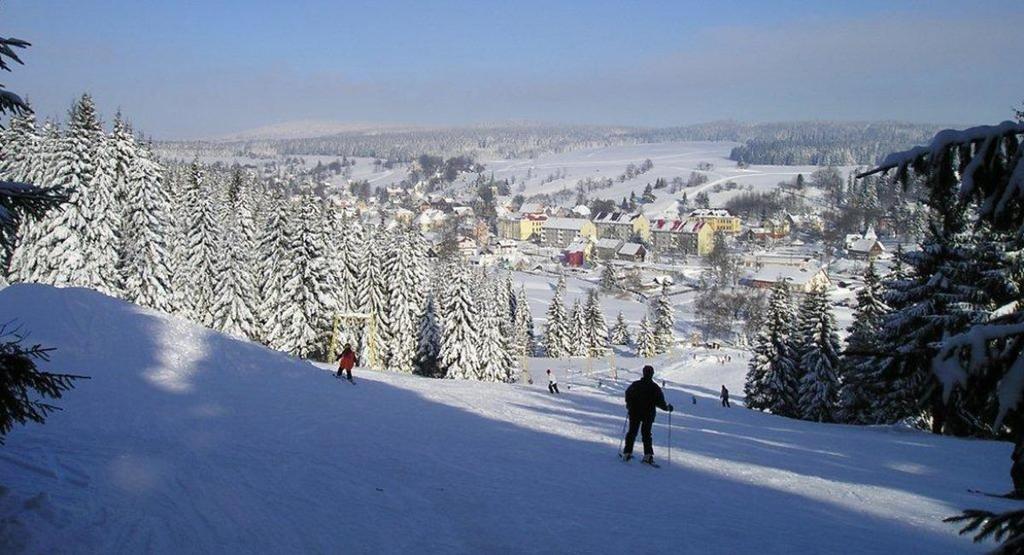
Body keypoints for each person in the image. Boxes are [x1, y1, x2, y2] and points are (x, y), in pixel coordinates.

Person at [622, 365, 673, 465]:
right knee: (646, 434)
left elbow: (628, 394)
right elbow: (660, 402)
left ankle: (627, 453)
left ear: (643, 373)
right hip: (648, 414)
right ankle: (648, 456)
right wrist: (667, 408)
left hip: (634, 412)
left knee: (632, 432)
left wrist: (629, 404)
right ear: (652, 374)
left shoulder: (635, 384)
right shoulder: (654, 387)